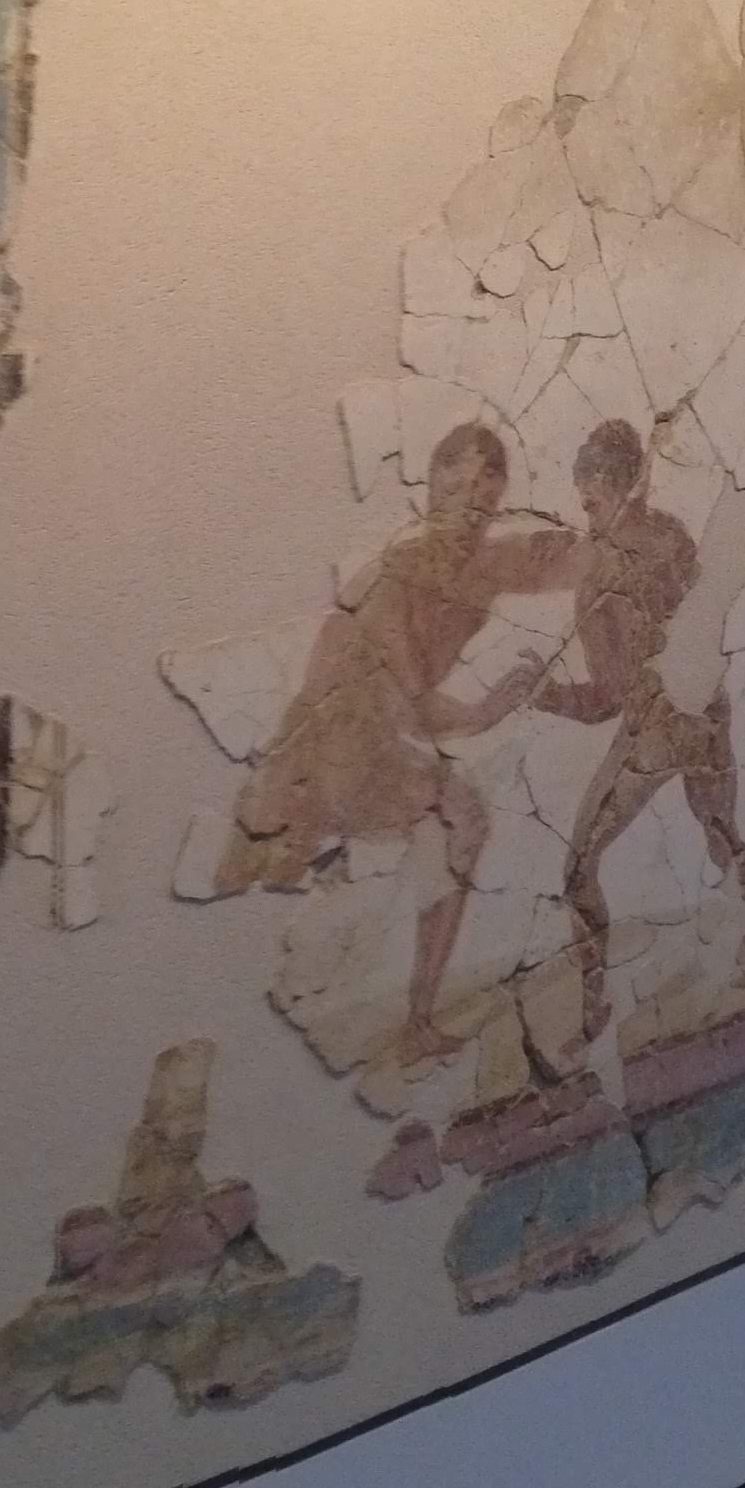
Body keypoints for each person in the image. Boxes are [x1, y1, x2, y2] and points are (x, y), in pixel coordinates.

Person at [213, 420, 580, 1066]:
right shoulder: (397, 576)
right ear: (432, 489)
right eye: (456, 490)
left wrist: (624, 543)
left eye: (484, 498)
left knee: (462, 821)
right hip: (330, 750)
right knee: (247, 879)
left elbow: (573, 561)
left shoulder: (482, 566)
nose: (468, 511)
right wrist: (488, 709)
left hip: (384, 750)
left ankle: (417, 1024)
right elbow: (416, 705)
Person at [533, 417, 745, 1015]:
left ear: (615, 485)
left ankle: (595, 1015)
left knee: (579, 865)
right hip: (707, 713)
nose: (585, 510)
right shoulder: (675, 536)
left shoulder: (598, 578)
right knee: (722, 833)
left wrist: (546, 695)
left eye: (591, 498)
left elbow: (606, 701)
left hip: (656, 731)